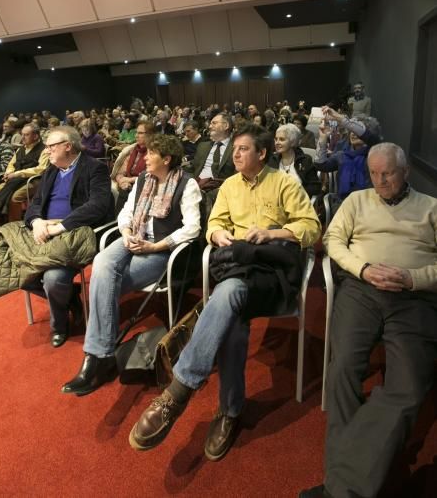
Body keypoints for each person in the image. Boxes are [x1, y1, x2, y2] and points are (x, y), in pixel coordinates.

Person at [129, 124, 320, 460]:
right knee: (232, 318)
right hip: (239, 265)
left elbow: (311, 227)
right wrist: (218, 235)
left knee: (228, 293)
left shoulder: (284, 184)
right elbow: (215, 223)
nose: (235, 154)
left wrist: (273, 234)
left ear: (262, 153)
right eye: (234, 149)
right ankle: (229, 411)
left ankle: (179, 390)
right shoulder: (229, 186)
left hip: (271, 274)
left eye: (243, 149)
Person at [300, 143, 437, 498]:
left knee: (410, 386)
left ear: (405, 172)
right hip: (362, 290)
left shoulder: (430, 208)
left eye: (387, 174)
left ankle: (340, 487)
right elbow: (332, 240)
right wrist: (363, 269)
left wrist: (413, 278)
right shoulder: (357, 201)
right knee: (343, 367)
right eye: (374, 174)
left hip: (413, 298)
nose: (380, 181)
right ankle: (352, 481)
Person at [61, 134, 201, 396]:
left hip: (159, 251)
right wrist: (125, 233)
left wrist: (155, 246)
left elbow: (192, 228)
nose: (144, 158)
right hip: (132, 238)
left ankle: (96, 357)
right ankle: (101, 355)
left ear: (167, 159)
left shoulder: (187, 183)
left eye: (151, 154)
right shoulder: (143, 181)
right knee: (102, 261)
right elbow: (125, 213)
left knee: (104, 283)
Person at [23, 126, 114, 347]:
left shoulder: (95, 168)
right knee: (15, 269)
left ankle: (60, 325)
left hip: (75, 234)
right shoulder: (51, 171)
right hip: (45, 231)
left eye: (51, 146)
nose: (46, 151)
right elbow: (34, 204)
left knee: (53, 280)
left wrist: (61, 226)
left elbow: (98, 206)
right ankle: (71, 297)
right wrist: (37, 222)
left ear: (67, 146)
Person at [0, 123, 49, 222]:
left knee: (14, 198)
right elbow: (11, 164)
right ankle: (1, 221)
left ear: (35, 136)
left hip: (33, 180)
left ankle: (14, 225)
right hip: (15, 180)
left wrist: (17, 174)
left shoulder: (44, 150)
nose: (22, 137)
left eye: (26, 135)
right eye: (22, 134)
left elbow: (41, 169)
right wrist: (8, 173)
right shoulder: (20, 149)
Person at [314, 107, 382, 200]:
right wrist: (323, 138)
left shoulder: (376, 152)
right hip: (344, 203)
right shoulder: (342, 155)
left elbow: (369, 137)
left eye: (356, 131)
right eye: (351, 132)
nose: (353, 134)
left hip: (369, 203)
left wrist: (338, 117)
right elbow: (320, 165)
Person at [111, 121, 155, 215]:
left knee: (125, 195)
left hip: (143, 186)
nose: (136, 136)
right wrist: (121, 180)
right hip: (127, 184)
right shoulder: (133, 150)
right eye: (136, 132)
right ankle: (116, 222)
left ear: (150, 135)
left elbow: (150, 175)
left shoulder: (154, 152)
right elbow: (121, 171)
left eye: (140, 133)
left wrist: (129, 180)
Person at [186, 112, 235, 193]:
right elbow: (194, 167)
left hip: (221, 189)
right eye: (210, 123)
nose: (209, 126)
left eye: (214, 123)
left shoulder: (236, 147)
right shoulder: (203, 146)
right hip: (197, 185)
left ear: (226, 126)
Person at [272, 124, 321, 198]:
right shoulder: (272, 159)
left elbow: (315, 187)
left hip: (297, 202)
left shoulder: (305, 161)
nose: (277, 143)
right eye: (276, 139)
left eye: (282, 139)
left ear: (292, 142)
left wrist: (295, 191)